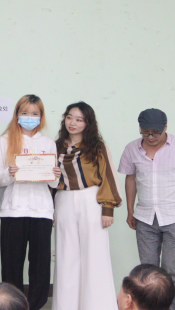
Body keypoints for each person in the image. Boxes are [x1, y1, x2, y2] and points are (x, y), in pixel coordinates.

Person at [118, 108, 175, 310]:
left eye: (155, 133)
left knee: (173, 273)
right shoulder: (132, 149)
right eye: (145, 132)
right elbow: (130, 179)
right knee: (147, 275)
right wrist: (130, 211)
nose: (150, 137)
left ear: (165, 127)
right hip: (145, 219)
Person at [0, 94, 60, 310]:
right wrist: (11, 173)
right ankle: (12, 306)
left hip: (41, 211)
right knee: (11, 264)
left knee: (40, 265)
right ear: (17, 115)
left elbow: (54, 182)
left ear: (41, 116)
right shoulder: (4, 140)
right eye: (24, 113)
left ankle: (37, 305)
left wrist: (55, 174)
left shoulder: (48, 143)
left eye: (34, 113)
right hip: (13, 211)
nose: (29, 117)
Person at [52, 102, 122, 310]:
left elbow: (108, 176)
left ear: (88, 123)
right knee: (65, 256)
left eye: (79, 119)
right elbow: (47, 180)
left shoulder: (97, 146)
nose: (72, 123)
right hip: (63, 200)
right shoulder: (55, 146)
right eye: (69, 117)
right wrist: (50, 209)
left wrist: (107, 209)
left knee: (95, 255)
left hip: (91, 200)